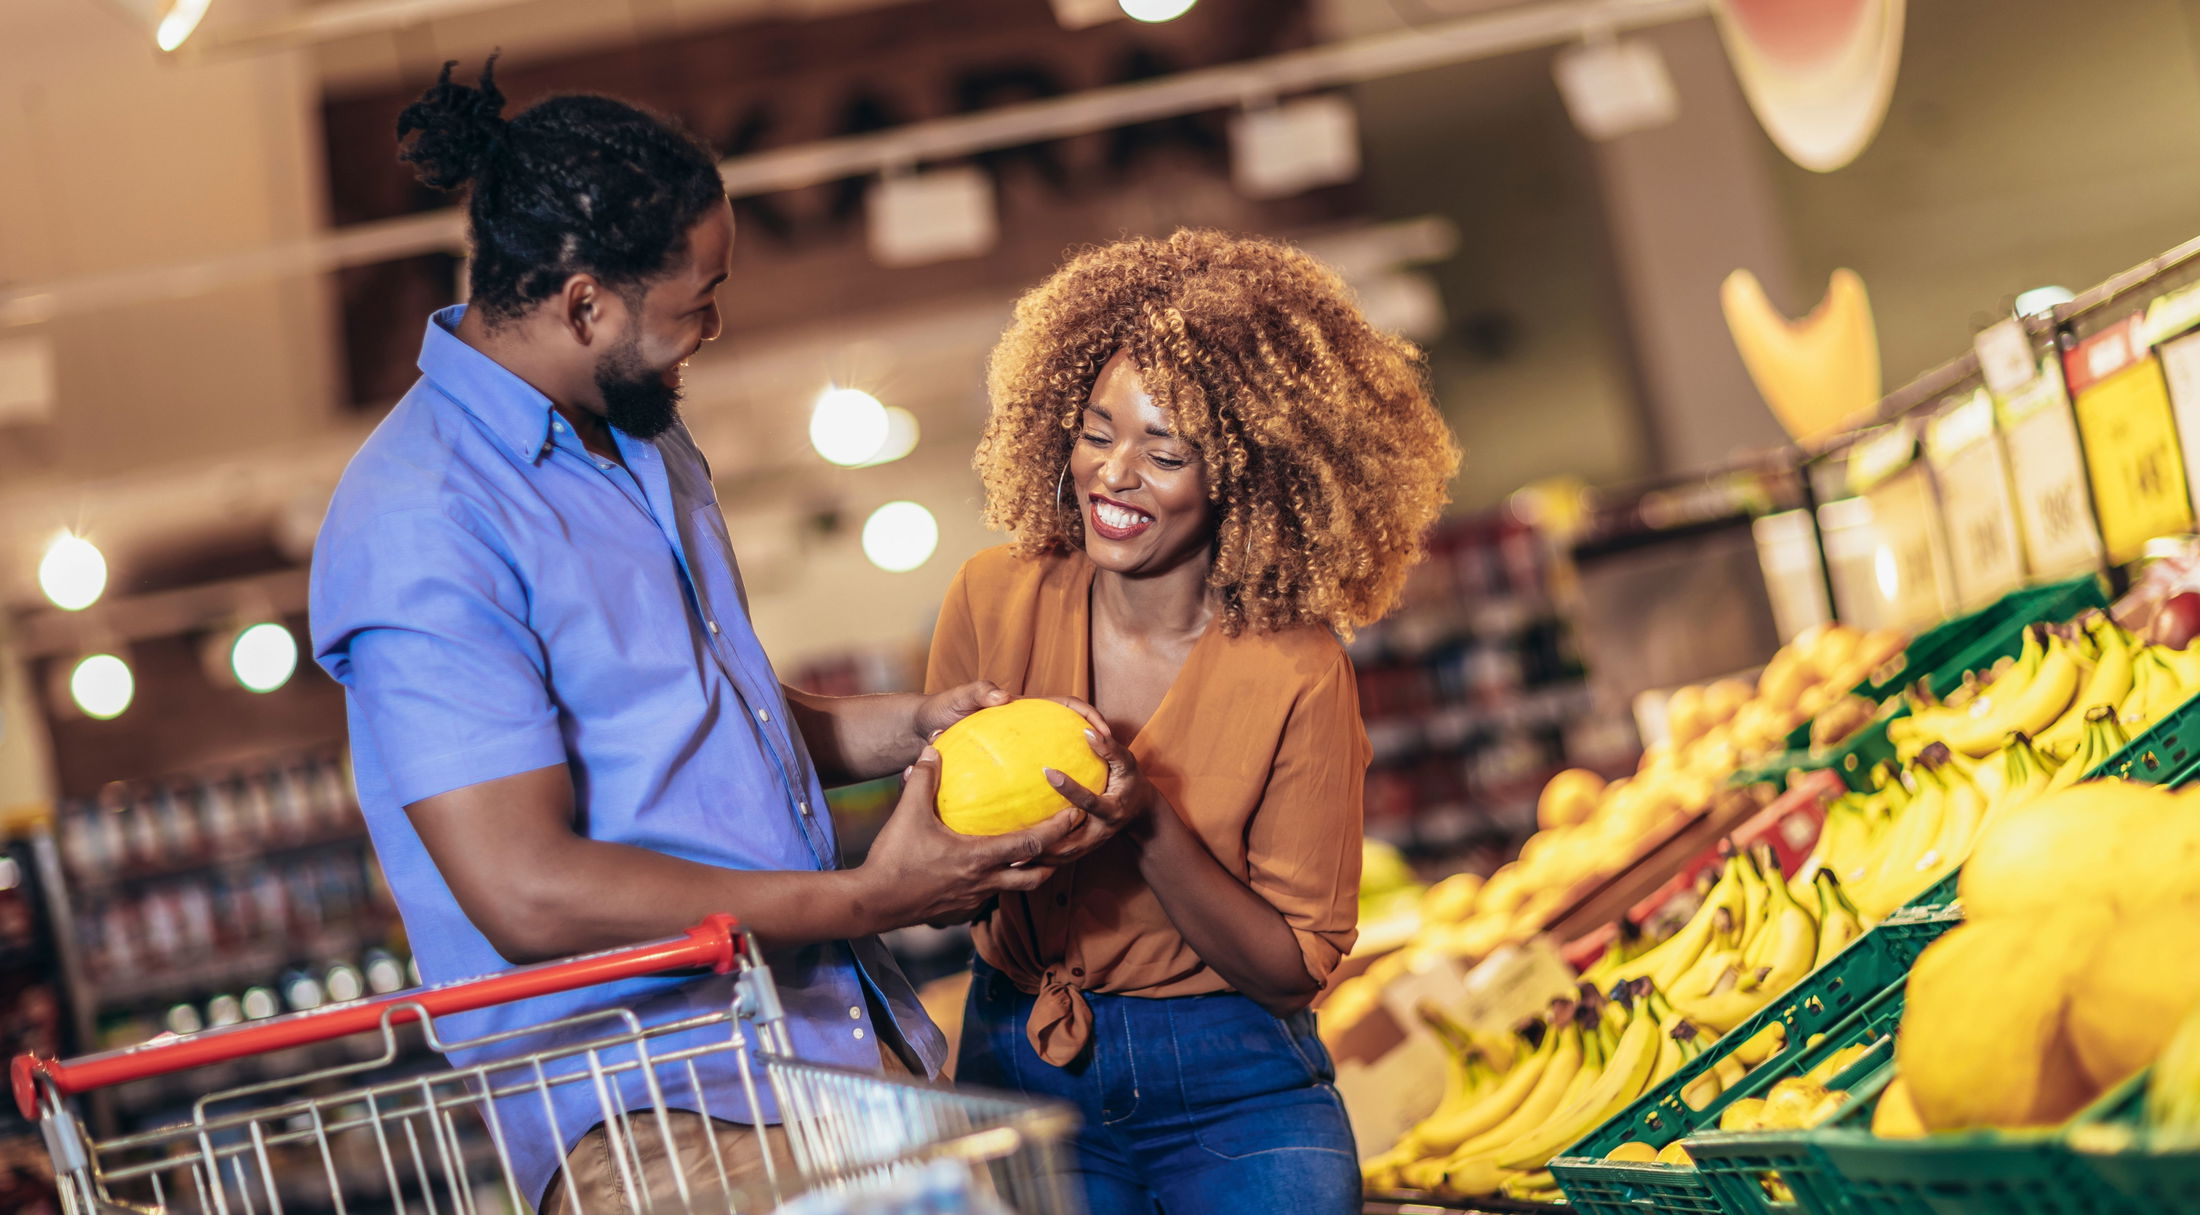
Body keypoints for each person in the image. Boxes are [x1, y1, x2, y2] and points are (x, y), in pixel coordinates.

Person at [309, 59, 1092, 1214]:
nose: (712, 330)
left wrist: (907, 728)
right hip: (655, 1119)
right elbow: (525, 887)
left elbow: (706, 723)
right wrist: (867, 896)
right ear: (583, 304)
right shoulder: (421, 520)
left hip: (821, 1045)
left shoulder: (639, 444)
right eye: (695, 301)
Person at [930, 229, 1462, 1214]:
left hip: (1234, 1082)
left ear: (1250, 479)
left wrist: (1146, 823)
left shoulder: (1296, 668)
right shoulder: (993, 598)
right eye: (1096, 432)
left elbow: (1291, 969)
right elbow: (935, 876)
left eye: (1164, 452)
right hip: (1023, 1061)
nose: (1113, 474)